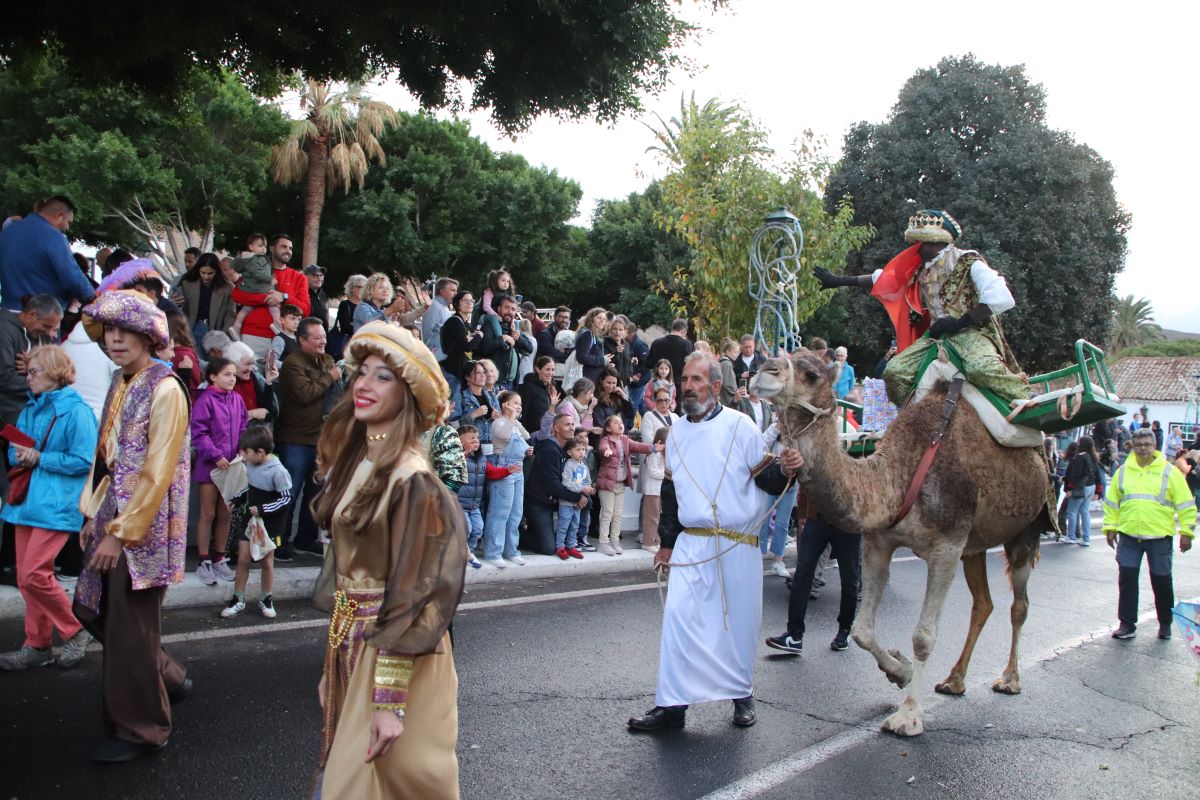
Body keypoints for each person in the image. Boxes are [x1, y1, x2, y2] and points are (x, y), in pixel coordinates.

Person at [310, 321, 465, 798]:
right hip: (353, 642)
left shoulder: (410, 477)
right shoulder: (361, 462)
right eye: (362, 372)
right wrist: (330, 667)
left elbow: (416, 593)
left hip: (397, 657)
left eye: (383, 377)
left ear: (409, 394)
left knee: (379, 783)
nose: (363, 384)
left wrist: (388, 701)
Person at [627, 352, 800, 732]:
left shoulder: (741, 427)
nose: (687, 386)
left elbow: (766, 479)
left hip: (736, 545)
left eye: (696, 380)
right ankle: (672, 706)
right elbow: (670, 493)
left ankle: (741, 695)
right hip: (692, 544)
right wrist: (666, 543)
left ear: (716, 387)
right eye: (684, 379)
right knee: (678, 622)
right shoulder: (675, 434)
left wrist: (785, 469)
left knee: (734, 624)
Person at [72, 290, 191, 763]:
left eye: (125, 331)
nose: (115, 340)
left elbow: (158, 472)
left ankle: (143, 729)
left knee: (128, 628)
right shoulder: (123, 381)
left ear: (147, 334)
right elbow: (107, 459)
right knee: (93, 610)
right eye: (108, 332)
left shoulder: (164, 386)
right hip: (113, 521)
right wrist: (93, 513)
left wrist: (121, 536)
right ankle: (170, 678)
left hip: (141, 533)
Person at [815, 209, 1026, 407]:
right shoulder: (919, 268)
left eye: (920, 242)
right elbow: (884, 279)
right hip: (936, 336)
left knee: (982, 369)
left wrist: (959, 322)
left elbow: (1001, 297)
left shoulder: (967, 260)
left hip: (971, 332)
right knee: (895, 372)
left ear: (936, 242)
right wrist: (839, 280)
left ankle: (1023, 402)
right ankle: (914, 419)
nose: (914, 248)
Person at [0, 345, 98, 671]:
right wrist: (23, 454)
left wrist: (38, 457)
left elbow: (85, 460)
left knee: (33, 575)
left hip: (55, 504)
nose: (28, 378)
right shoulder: (32, 407)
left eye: (34, 372)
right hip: (27, 502)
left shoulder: (77, 411)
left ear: (54, 372)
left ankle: (74, 631)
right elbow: (15, 454)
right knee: (28, 578)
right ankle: (37, 644)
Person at [1104, 428, 1195, 640]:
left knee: (1161, 581)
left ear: (1155, 446)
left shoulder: (1169, 472)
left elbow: (1186, 504)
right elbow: (1111, 503)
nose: (1143, 448)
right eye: (1139, 445)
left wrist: (1187, 532)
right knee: (1127, 580)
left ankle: (1165, 623)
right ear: (1132, 447)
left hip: (1159, 538)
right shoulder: (1123, 472)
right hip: (1129, 536)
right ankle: (1127, 624)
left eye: (1147, 444)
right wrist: (1109, 527)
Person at [765, 489, 861, 654]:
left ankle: (844, 630)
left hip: (848, 520)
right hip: (817, 518)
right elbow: (808, 475)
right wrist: (803, 512)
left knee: (849, 579)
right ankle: (794, 635)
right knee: (802, 575)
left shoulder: (858, 460)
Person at [274, 318, 338, 560]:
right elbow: (305, 394)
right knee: (288, 494)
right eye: (316, 337)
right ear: (302, 340)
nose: (323, 341)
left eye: (324, 336)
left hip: (321, 440)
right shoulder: (292, 363)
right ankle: (280, 542)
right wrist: (330, 377)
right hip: (295, 439)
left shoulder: (328, 360)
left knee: (316, 495)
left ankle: (305, 539)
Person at [221, 425, 291, 619]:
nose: (243, 455)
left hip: (269, 525)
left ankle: (266, 598)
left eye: (247, 452)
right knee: (243, 558)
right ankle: (238, 598)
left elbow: (285, 499)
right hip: (249, 520)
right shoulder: (250, 465)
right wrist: (237, 500)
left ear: (260, 452)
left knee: (267, 562)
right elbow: (248, 489)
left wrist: (262, 509)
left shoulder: (278, 471)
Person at [190, 357, 248, 584]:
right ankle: (203, 560)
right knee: (207, 513)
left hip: (232, 466)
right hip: (209, 466)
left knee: (226, 513)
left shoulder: (237, 399)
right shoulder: (205, 400)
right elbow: (199, 432)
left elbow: (244, 427)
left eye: (233, 374)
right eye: (226, 374)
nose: (232, 378)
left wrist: (243, 450)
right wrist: (216, 455)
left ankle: (219, 558)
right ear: (213, 376)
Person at [0, 195, 96, 313]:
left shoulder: (7, 232)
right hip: (41, 318)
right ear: (59, 216)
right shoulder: (54, 237)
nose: (67, 227)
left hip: (6, 314)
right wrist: (93, 297)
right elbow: (72, 277)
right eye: (68, 222)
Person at [230, 234, 310, 365]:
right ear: (271, 249)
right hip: (253, 336)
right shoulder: (254, 269)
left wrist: (283, 297)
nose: (288, 251)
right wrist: (266, 298)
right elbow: (236, 295)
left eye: (290, 248)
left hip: (284, 339)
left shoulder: (299, 277)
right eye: (283, 247)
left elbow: (305, 309)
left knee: (278, 381)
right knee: (251, 378)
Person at [523, 413, 594, 556]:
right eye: (567, 424)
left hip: (555, 500)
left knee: (588, 501)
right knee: (548, 548)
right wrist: (576, 497)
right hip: (538, 502)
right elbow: (552, 486)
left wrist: (583, 492)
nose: (572, 427)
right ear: (556, 428)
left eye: (573, 424)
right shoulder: (549, 449)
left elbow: (575, 479)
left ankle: (576, 539)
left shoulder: (569, 450)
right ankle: (518, 534)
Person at [483, 391, 531, 568]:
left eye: (520, 404)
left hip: (518, 468)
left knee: (516, 512)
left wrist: (515, 417)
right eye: (515, 403)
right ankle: (493, 552)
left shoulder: (514, 423)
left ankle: (511, 550)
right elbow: (503, 435)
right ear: (504, 405)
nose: (518, 406)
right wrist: (510, 416)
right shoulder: (499, 422)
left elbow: (526, 435)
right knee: (500, 510)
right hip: (503, 466)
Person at [595, 415, 655, 555]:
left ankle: (615, 541)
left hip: (620, 484)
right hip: (607, 484)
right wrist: (606, 451)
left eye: (621, 422)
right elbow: (603, 448)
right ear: (609, 428)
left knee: (618, 514)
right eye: (616, 423)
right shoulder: (606, 440)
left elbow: (639, 446)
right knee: (607, 513)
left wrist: (653, 447)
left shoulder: (625, 440)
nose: (620, 424)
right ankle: (603, 542)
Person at [174, 252, 235, 348]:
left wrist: (223, 335)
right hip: (191, 329)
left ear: (217, 271)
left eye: (210, 273)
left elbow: (230, 315)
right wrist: (175, 303)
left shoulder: (228, 288)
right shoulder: (187, 284)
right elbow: (178, 308)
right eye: (203, 273)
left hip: (216, 332)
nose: (206, 277)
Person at [456, 425, 495, 569]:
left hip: (474, 504)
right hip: (460, 503)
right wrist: (465, 452)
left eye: (477, 437)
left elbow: (491, 472)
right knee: (467, 529)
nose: (476, 441)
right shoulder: (458, 456)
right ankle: (460, 554)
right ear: (460, 441)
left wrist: (507, 471)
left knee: (478, 529)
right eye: (472, 438)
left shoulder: (481, 458)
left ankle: (469, 552)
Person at [477, 295, 533, 392]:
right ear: (499, 309)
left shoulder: (514, 327)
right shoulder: (489, 326)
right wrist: (502, 339)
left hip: (511, 383)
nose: (510, 311)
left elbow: (529, 348)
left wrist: (518, 338)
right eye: (506, 307)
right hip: (493, 382)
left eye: (513, 309)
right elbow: (484, 349)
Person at [440, 290, 483, 412]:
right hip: (453, 370)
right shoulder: (455, 321)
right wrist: (479, 335)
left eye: (471, 301)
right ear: (457, 304)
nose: (469, 303)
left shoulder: (463, 323)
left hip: (460, 369)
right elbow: (467, 346)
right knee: (455, 407)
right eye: (465, 300)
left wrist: (473, 337)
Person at [226, 340, 279, 425]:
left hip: (255, 432)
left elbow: (267, 412)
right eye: (247, 364)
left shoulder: (253, 377)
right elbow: (222, 418)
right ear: (232, 363)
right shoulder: (222, 385)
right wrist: (250, 414)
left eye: (252, 363)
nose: (251, 368)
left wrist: (268, 382)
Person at [556, 438, 591, 560]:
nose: (581, 452)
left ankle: (571, 546)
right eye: (578, 450)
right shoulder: (568, 464)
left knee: (575, 525)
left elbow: (587, 481)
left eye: (583, 449)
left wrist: (588, 489)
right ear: (570, 452)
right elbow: (566, 482)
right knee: (564, 524)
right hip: (566, 502)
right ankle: (560, 546)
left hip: (577, 503)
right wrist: (582, 489)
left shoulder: (584, 466)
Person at [1064, 435, 1101, 546]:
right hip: (1091, 486)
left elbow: (1075, 475)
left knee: (1072, 511)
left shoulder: (1080, 457)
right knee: (1085, 511)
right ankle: (1086, 538)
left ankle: (1071, 536)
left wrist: (1069, 488)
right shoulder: (1093, 457)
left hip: (1080, 487)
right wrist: (1098, 491)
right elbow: (1098, 474)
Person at [457, 360, 499, 456]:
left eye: (483, 372)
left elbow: (500, 424)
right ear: (467, 377)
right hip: (471, 451)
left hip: (492, 450)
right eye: (477, 373)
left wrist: (498, 418)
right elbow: (454, 425)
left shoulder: (492, 396)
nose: (483, 375)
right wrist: (474, 415)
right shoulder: (461, 397)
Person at [645, 318, 693, 399]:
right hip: (678, 386)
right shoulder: (686, 345)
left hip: (658, 385)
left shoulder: (657, 343)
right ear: (684, 331)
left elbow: (648, 364)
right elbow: (690, 367)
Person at [639, 427, 669, 554]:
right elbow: (653, 472)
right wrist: (667, 474)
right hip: (652, 490)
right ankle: (648, 542)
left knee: (659, 516)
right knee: (651, 517)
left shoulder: (664, 454)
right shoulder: (654, 454)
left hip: (660, 490)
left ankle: (656, 540)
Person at [519, 355, 560, 438]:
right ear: (538, 369)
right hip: (532, 434)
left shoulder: (551, 388)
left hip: (546, 432)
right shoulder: (528, 387)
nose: (550, 373)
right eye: (547, 369)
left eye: (553, 370)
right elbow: (523, 412)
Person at [422, 277, 458, 363]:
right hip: (438, 360)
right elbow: (427, 336)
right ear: (442, 291)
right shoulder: (434, 306)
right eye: (452, 290)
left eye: (456, 291)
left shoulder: (444, 307)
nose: (456, 294)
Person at [332, 274, 367, 359]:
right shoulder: (345, 305)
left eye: (364, 287)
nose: (362, 290)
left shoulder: (367, 306)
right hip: (348, 347)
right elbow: (346, 328)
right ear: (352, 288)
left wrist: (354, 323)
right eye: (359, 287)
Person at [573, 307, 611, 385]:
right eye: (599, 318)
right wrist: (602, 360)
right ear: (591, 319)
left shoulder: (595, 335)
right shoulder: (587, 334)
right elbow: (582, 357)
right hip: (587, 379)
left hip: (592, 378)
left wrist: (605, 362)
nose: (602, 321)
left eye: (604, 319)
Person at [603, 315, 633, 387]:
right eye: (615, 329)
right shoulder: (604, 342)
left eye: (620, 330)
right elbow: (606, 361)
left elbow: (629, 362)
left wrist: (630, 375)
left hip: (623, 384)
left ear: (625, 331)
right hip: (609, 383)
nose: (617, 332)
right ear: (610, 329)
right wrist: (616, 352)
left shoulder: (626, 345)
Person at [304, 264, 329, 331]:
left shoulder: (323, 295)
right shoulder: (302, 294)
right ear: (306, 277)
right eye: (315, 276)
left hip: (323, 337)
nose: (319, 278)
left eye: (321, 276)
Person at [717, 339, 740, 408]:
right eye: (735, 352)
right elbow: (728, 383)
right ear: (728, 352)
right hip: (725, 400)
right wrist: (736, 392)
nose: (737, 354)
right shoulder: (727, 364)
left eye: (738, 352)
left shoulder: (722, 362)